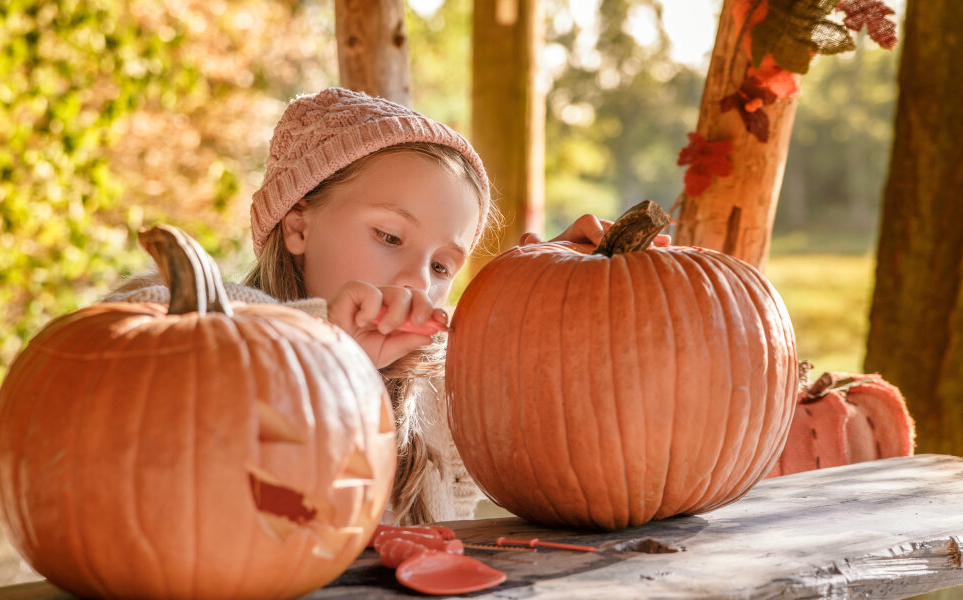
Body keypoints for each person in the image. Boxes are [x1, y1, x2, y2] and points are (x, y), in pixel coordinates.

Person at [106, 86, 663, 524]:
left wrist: (555, 294)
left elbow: (556, 439)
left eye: (442, 266)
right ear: (298, 225)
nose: (414, 278)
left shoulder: (436, 395)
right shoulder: (203, 308)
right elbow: (118, 360)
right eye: (390, 238)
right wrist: (322, 345)